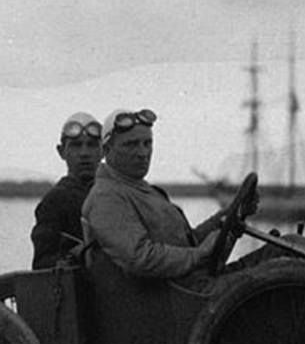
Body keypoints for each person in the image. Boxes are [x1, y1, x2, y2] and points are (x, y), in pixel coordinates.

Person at [81, 108, 230, 289]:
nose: (143, 153)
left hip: (190, 289)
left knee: (272, 255)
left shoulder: (143, 191)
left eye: (147, 143)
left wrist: (222, 220)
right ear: (106, 150)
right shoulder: (106, 197)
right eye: (131, 144)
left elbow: (186, 242)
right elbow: (141, 257)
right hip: (173, 302)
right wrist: (199, 254)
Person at [30, 111, 103, 269]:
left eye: (91, 145)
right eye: (76, 145)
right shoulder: (55, 201)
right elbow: (42, 264)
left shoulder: (115, 194)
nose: (84, 153)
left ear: (103, 151)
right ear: (61, 151)